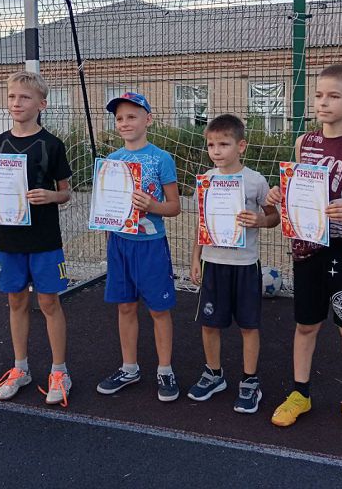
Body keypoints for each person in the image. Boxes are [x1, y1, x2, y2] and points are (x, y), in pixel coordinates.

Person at [266, 64, 342, 439]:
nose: (323, 102)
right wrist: (279, 194)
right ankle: (300, 394)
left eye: (333, 96)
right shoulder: (304, 143)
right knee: (306, 324)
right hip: (309, 247)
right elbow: (298, 191)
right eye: (319, 95)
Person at [0, 71, 73, 406]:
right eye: (12, 96)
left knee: (49, 303)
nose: (17, 103)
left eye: (25, 97)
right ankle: (20, 368)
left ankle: (59, 371)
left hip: (44, 239)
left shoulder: (52, 145)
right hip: (9, 240)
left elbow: (66, 193)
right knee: (16, 302)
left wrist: (50, 196)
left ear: (41, 104)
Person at [187, 114, 280, 414]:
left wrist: (260, 220)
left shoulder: (255, 181)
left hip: (245, 265)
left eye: (223, 144)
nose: (216, 151)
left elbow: (274, 217)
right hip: (213, 263)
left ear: (241, 146)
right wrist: (195, 258)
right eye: (211, 145)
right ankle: (213, 374)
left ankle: (250, 381)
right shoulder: (206, 180)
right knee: (209, 323)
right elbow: (202, 224)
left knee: (249, 326)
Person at [96, 92, 182, 402]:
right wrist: (107, 227)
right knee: (125, 306)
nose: (124, 123)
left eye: (131, 116)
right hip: (120, 244)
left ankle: (165, 369)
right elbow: (106, 206)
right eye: (119, 118)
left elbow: (174, 207)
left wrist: (152, 206)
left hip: (150, 246)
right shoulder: (111, 161)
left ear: (149, 119)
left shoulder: (161, 159)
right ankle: (129, 367)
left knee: (158, 309)